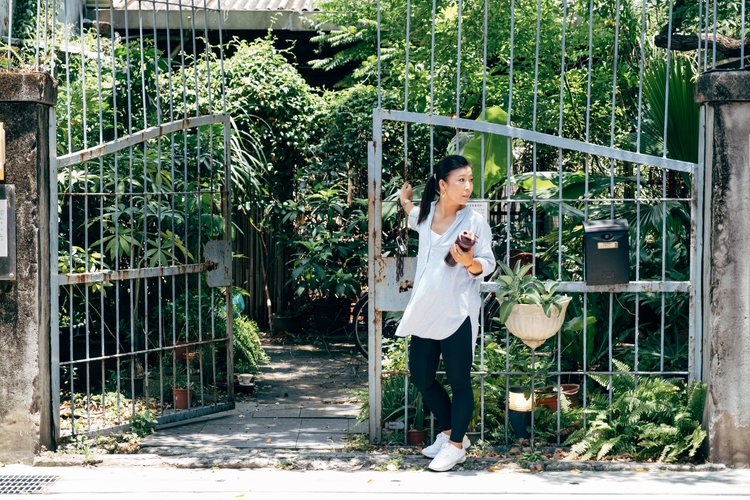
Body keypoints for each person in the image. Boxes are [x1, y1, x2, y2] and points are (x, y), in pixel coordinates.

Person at [396, 155, 496, 472]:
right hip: (426, 311)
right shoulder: (426, 216)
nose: (468, 187)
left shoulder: (474, 223)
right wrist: (404, 200)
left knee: (459, 381)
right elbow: (412, 214)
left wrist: (468, 262)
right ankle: (452, 432)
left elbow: (487, 263)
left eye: (470, 179)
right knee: (422, 376)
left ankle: (455, 447)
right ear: (442, 185)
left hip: (457, 313)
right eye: (460, 180)